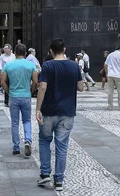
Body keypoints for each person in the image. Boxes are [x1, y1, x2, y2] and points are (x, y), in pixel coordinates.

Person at [36, 38, 83, 192]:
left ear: (51, 51)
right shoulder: (74, 66)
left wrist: (38, 108)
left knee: (44, 141)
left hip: (49, 110)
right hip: (67, 111)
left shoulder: (48, 65)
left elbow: (42, 87)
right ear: (65, 49)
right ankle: (59, 180)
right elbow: (81, 87)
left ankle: (45, 174)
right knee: (62, 146)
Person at [1, 43, 38, 157]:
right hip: (26, 95)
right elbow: (36, 82)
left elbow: (2, 82)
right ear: (25, 53)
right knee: (27, 121)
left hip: (14, 96)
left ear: (15, 53)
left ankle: (16, 147)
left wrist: (9, 92)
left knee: (15, 123)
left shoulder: (8, 65)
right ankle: (27, 140)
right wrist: (31, 91)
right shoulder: (31, 65)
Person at [104, 45, 120, 111]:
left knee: (110, 91)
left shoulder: (110, 55)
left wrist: (107, 73)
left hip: (110, 75)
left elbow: (105, 65)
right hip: (119, 75)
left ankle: (110, 106)